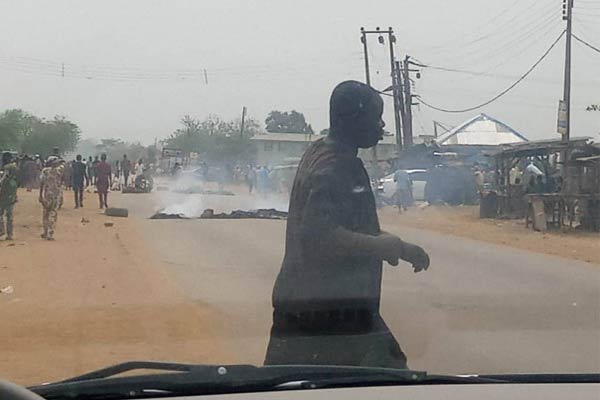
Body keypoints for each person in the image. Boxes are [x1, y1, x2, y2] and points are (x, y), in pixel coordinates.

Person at [265, 81, 430, 368]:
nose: (382, 126)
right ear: (352, 119)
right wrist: (383, 246)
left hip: (308, 303)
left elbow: (348, 227)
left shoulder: (319, 152)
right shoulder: (338, 165)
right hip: (332, 310)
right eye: (375, 118)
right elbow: (317, 237)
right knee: (389, 376)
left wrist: (400, 248)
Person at [39, 156, 64, 240]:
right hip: (56, 195)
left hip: (47, 195)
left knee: (46, 213)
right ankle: (50, 233)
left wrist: (40, 194)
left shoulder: (45, 171)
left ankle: (46, 232)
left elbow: (42, 183)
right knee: (53, 213)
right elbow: (60, 183)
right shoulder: (59, 171)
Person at [0, 152, 18, 240]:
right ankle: (9, 234)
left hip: (4, 193)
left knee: (1, 213)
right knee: (9, 214)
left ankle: (1, 231)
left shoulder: (7, 167)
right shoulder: (15, 168)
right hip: (12, 192)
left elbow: (4, 178)